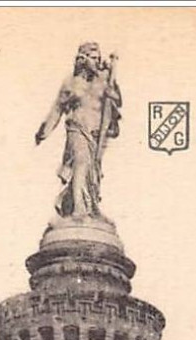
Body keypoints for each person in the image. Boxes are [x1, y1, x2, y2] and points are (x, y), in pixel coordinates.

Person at [33, 42, 121, 222]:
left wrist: (112, 87)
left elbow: (117, 101)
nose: (97, 62)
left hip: (97, 135)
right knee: (81, 163)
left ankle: (90, 207)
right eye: (93, 58)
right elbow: (57, 109)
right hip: (77, 129)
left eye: (98, 58)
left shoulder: (104, 80)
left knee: (92, 173)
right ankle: (79, 210)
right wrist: (44, 131)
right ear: (83, 59)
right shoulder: (72, 82)